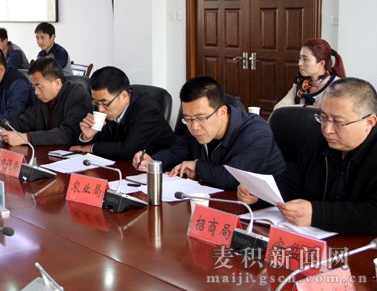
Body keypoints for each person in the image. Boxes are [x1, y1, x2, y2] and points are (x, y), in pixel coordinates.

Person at [238, 78, 377, 234]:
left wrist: (316, 214)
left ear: (369, 122)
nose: (327, 130)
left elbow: (372, 214)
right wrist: (258, 192)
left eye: (338, 122)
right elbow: (291, 185)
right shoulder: (317, 145)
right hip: (307, 238)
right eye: (323, 117)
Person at [133, 76, 285, 190]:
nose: (194, 127)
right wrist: (153, 161)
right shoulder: (197, 128)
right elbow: (176, 152)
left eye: (201, 118)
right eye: (188, 119)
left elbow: (230, 178)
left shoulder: (256, 133)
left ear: (222, 112)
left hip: (266, 210)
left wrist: (197, 166)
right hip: (217, 198)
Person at [69, 66, 177, 160]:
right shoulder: (103, 104)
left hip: (158, 168)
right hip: (120, 165)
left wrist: (92, 147)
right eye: (96, 102)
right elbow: (95, 144)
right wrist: (87, 137)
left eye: (104, 103)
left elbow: (127, 150)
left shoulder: (147, 111)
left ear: (123, 96)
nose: (100, 109)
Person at [0, 57, 92, 146]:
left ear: (57, 83)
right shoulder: (42, 98)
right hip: (47, 152)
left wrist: (26, 138)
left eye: (39, 86)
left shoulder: (78, 95)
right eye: (34, 86)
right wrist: (1, 127)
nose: (36, 92)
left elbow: (67, 133)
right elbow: (26, 121)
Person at [274, 38, 346, 110]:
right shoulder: (301, 83)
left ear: (321, 63)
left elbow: (329, 114)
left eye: (305, 59)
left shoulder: (336, 88)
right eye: (300, 58)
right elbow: (278, 108)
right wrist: (306, 107)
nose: (299, 63)